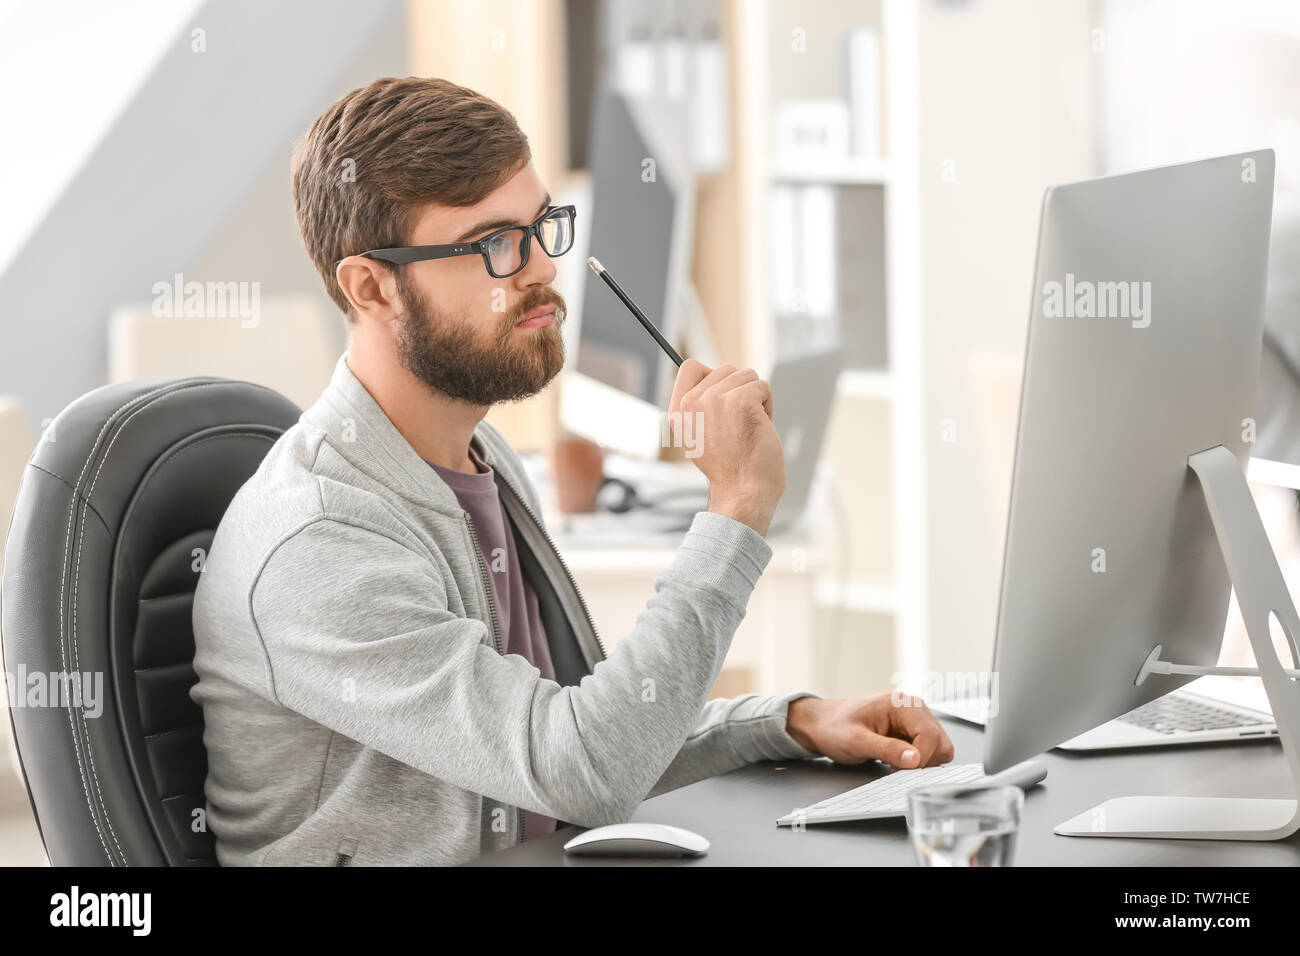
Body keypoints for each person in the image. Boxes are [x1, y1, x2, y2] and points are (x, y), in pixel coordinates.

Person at [189, 76, 953, 866]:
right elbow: (583, 770)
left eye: (541, 226)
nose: (540, 270)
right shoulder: (320, 540)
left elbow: (571, 733)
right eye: (494, 245)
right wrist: (737, 505)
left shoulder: (482, 460)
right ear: (372, 286)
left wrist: (785, 723)